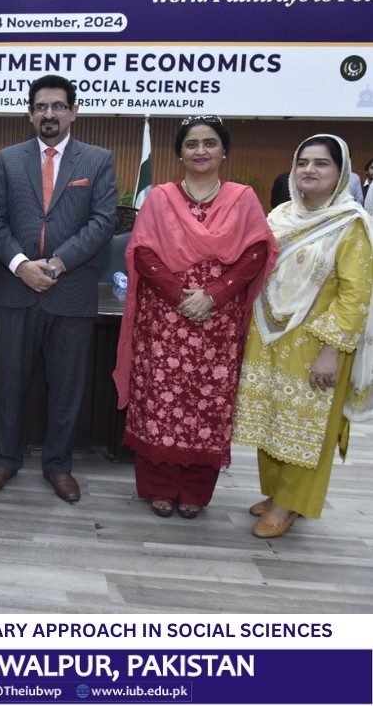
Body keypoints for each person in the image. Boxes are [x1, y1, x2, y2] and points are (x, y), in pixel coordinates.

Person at [113, 116, 277, 519]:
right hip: (164, 320)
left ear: (224, 151)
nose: (200, 151)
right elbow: (143, 252)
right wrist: (179, 295)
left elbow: (256, 251)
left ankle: (195, 491)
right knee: (159, 401)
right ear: (180, 153)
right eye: (192, 144)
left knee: (207, 404)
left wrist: (214, 296)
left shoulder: (242, 199)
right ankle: (159, 486)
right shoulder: (161, 198)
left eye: (209, 143)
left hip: (217, 323)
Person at [0, 74, 117, 501]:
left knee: (67, 387)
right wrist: (21, 266)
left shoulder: (97, 160)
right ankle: (5, 459)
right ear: (30, 114)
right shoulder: (8, 160)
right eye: (41, 107)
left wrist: (56, 264)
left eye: (58, 106)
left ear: (74, 111)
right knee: (10, 382)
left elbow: (103, 223)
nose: (49, 114)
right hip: (15, 290)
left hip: (71, 291)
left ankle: (58, 465)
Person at [233, 135, 373, 538]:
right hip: (270, 336)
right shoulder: (280, 216)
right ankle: (276, 493)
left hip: (318, 343)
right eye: (303, 162)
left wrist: (332, 350)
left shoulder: (351, 224)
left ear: (341, 173)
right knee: (271, 420)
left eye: (322, 163)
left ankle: (289, 504)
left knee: (306, 427)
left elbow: (356, 295)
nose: (309, 170)